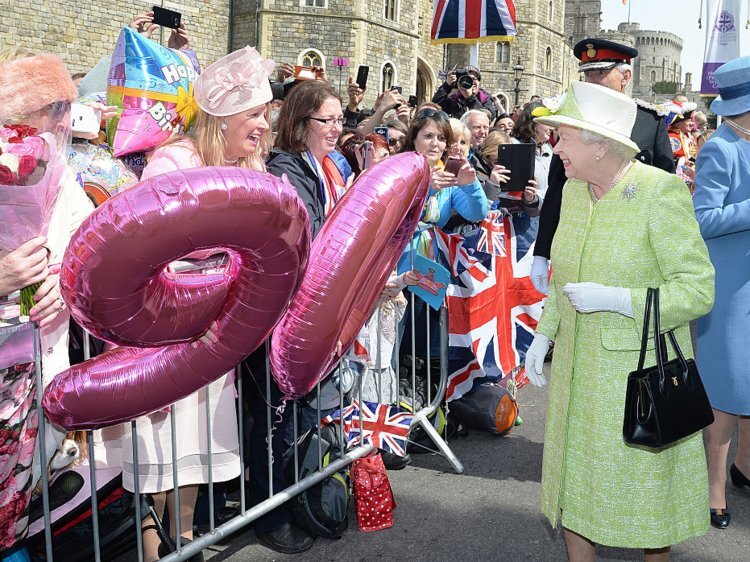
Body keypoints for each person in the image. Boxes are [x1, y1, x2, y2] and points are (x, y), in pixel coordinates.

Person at [524, 81, 714, 561]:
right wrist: (542, 337)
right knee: (573, 489)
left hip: (635, 379)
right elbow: (565, 278)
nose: (555, 146)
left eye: (563, 136)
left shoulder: (659, 192)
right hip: (574, 380)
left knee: (646, 503)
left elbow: (697, 289)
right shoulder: (569, 191)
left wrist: (620, 300)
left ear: (598, 143)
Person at [125, 46, 274, 561]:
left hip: (212, 336)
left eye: (265, 114)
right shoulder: (174, 160)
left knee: (194, 456)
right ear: (224, 115)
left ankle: (185, 544)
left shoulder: (247, 166)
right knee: (158, 458)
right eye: (254, 113)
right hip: (166, 333)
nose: (263, 125)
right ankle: (152, 554)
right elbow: (143, 246)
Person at [0, 48, 93, 551]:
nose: (63, 122)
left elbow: (83, 249)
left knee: (18, 502)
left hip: (35, 370)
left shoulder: (65, 178)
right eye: (54, 108)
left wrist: (65, 284)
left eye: (65, 109)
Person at [531, 38, 676, 295]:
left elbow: (666, 191)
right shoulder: (572, 121)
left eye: (599, 74)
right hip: (579, 246)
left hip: (631, 249)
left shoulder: (649, 121)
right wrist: (541, 253)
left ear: (626, 76)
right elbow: (556, 189)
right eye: (587, 75)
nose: (592, 82)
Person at [692, 55, 750, 530]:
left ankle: (745, 469)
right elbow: (703, 218)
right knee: (726, 393)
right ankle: (715, 489)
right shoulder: (721, 148)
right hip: (729, 291)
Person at [511, 101, 553, 204]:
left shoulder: (547, 148)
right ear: (533, 122)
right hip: (523, 213)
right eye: (547, 122)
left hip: (545, 210)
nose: (551, 128)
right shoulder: (515, 146)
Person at [433, 65, 498, 120]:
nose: (470, 82)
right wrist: (446, 86)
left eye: (474, 79)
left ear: (479, 82)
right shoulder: (455, 99)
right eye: (466, 79)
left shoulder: (486, 99)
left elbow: (487, 117)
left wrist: (469, 97)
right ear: (459, 82)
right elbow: (435, 108)